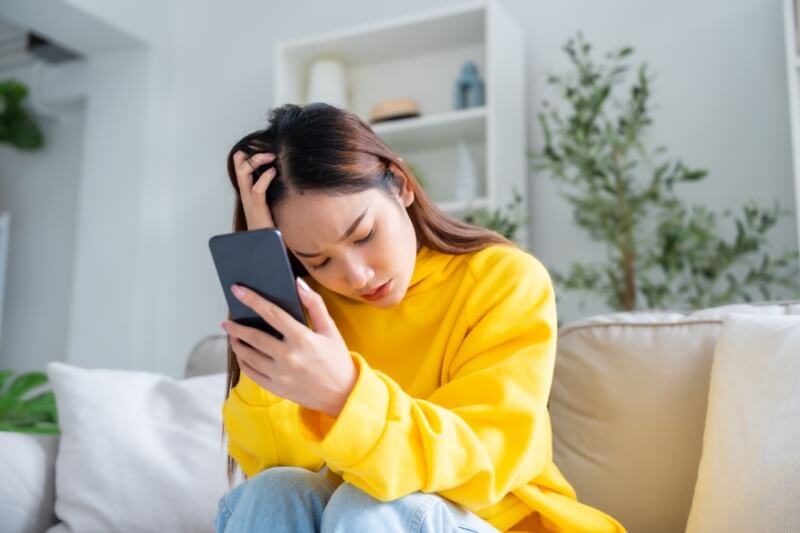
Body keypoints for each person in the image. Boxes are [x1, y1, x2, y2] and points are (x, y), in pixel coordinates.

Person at [214, 103, 625, 533]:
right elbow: (280, 464)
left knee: (369, 505)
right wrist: (266, 273)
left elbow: (485, 465)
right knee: (273, 492)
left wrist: (346, 395)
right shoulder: (313, 311)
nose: (356, 275)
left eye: (364, 235)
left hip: (497, 522)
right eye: (317, 261)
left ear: (402, 186)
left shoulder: (503, 279)